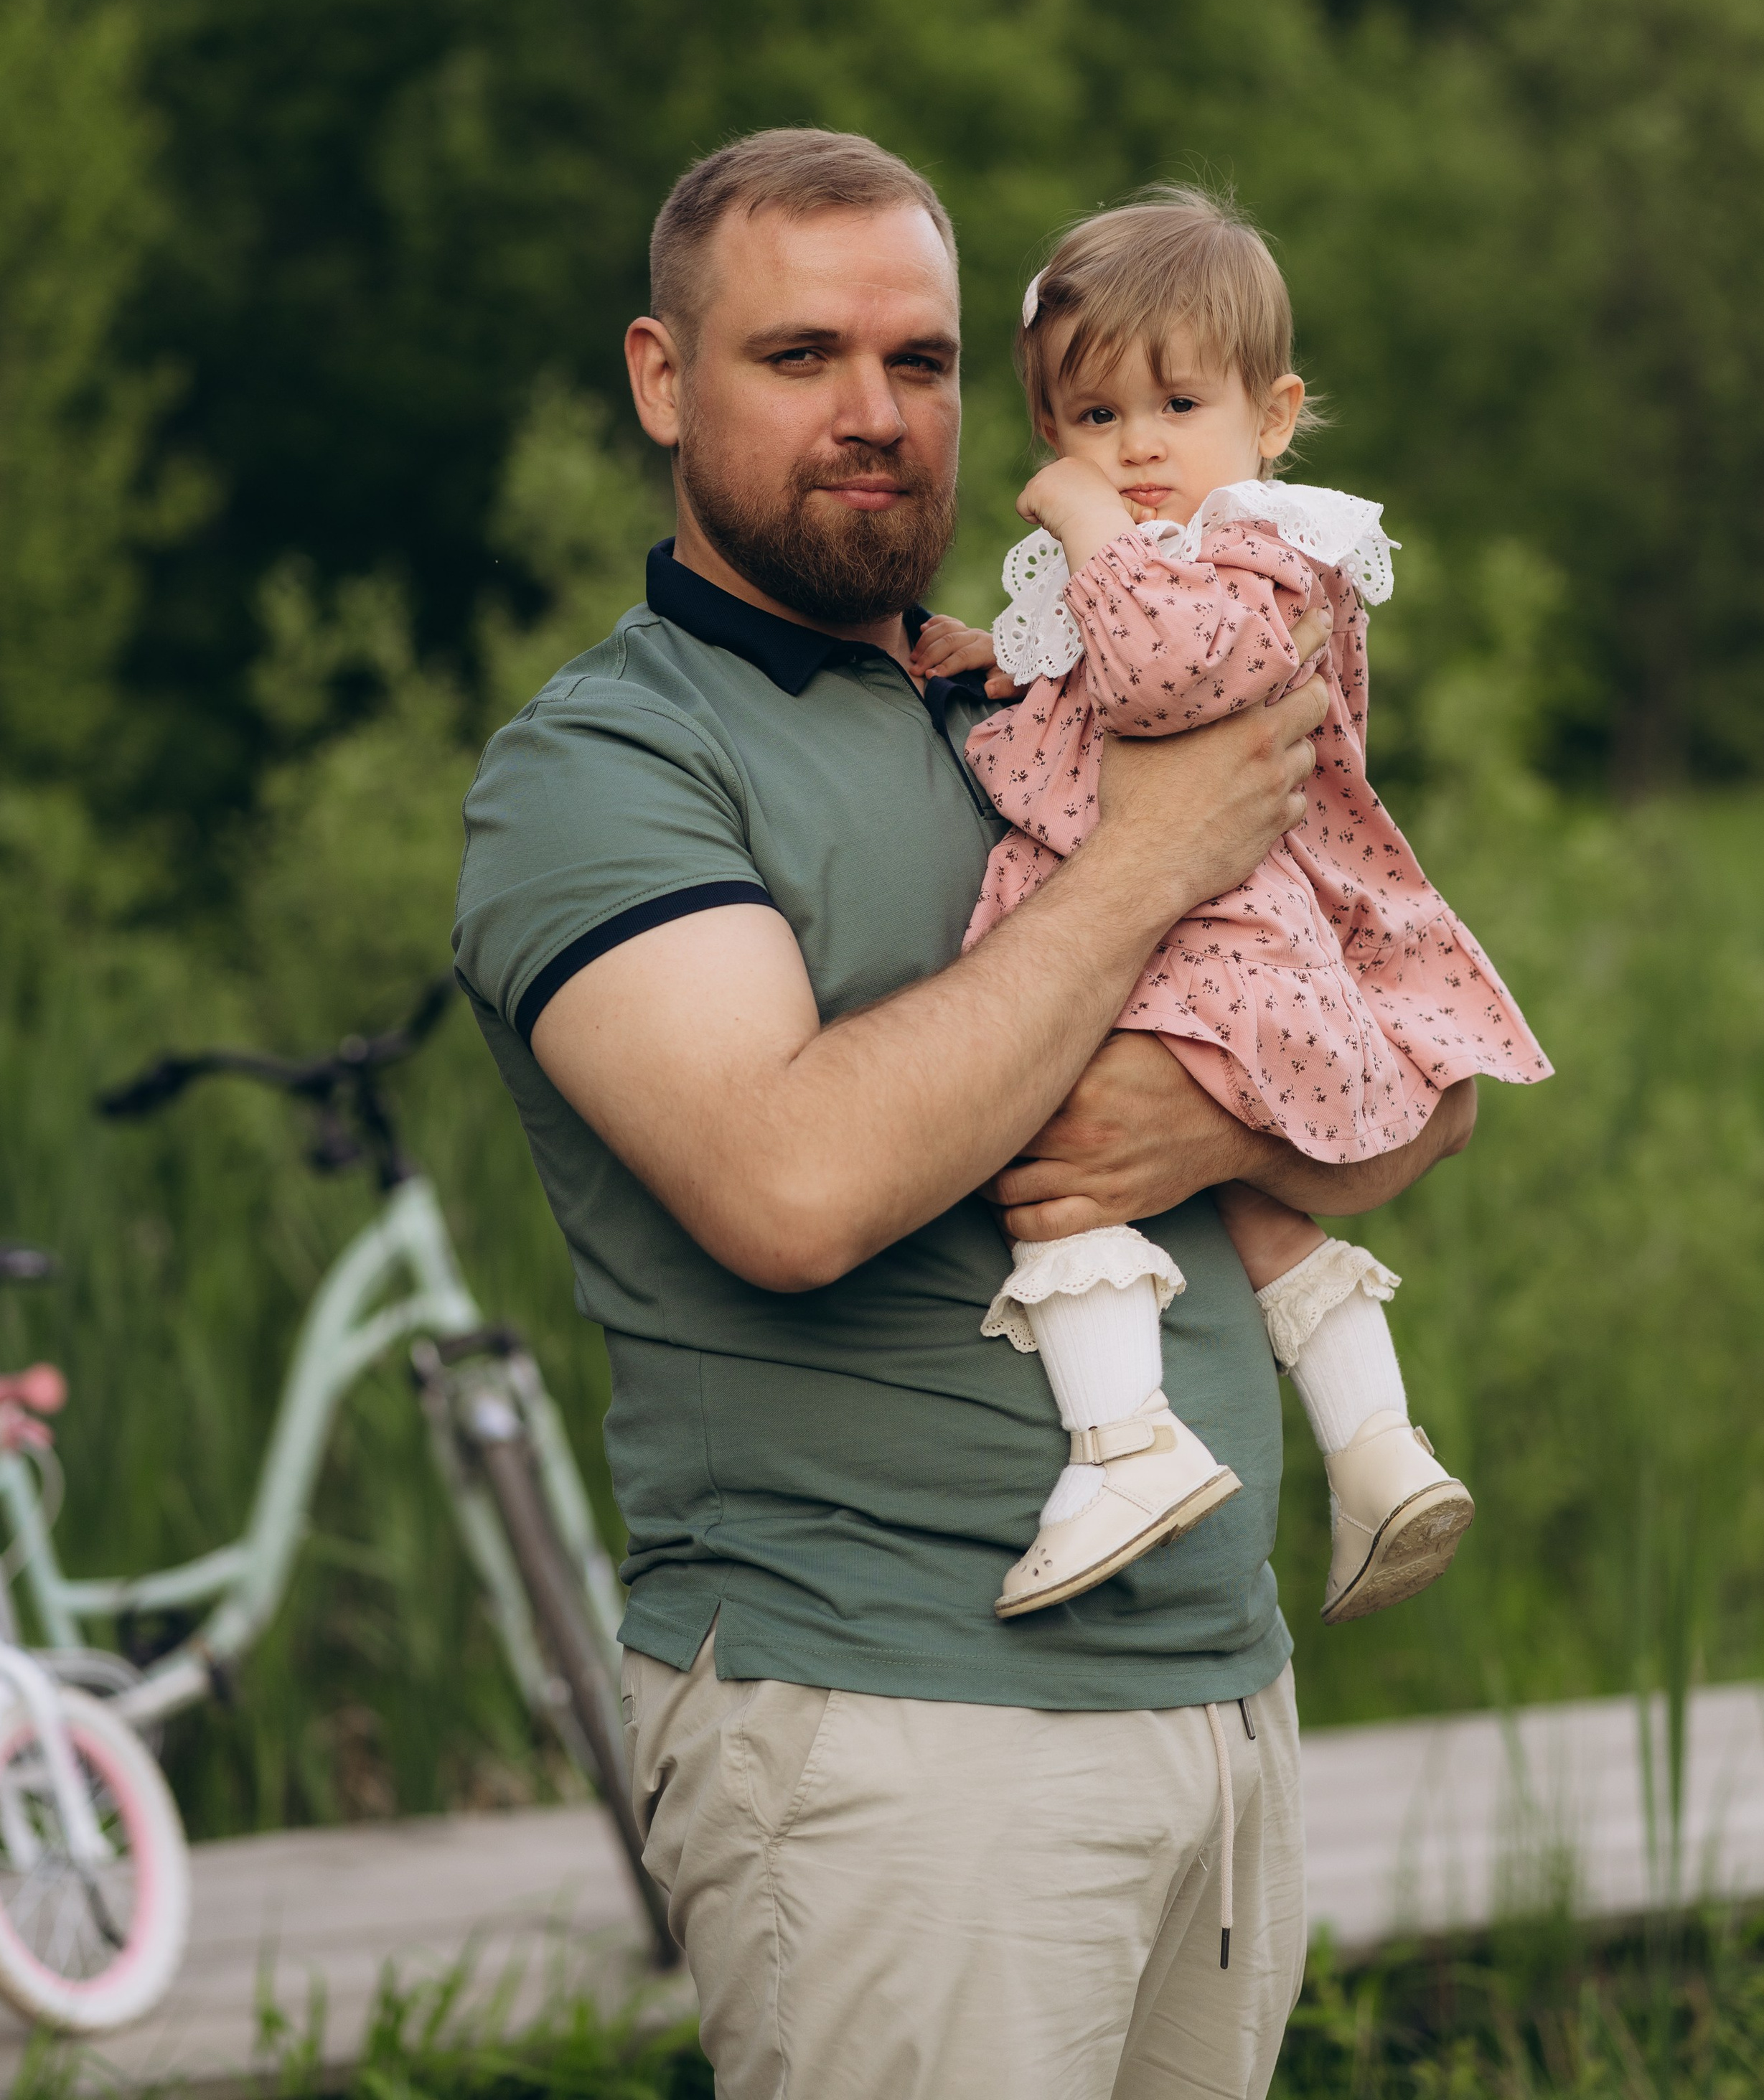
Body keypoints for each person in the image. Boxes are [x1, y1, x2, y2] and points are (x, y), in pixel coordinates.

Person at [451, 129, 1474, 2100]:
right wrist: (1154, 863)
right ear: (663, 378)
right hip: (892, 1730)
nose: (873, 416)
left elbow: (1413, 1091)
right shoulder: (606, 765)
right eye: (800, 357)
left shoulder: (1051, 704)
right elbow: (792, 1183)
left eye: (918, 363)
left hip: (1220, 1696)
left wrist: (1219, 1137)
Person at [909, 190, 1550, 1631]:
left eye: (1176, 403)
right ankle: (1376, 1446)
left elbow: (1156, 676)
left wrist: (1079, 525)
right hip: (1222, 940)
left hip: (1216, 939)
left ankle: (1118, 1441)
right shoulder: (1173, 562)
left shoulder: (1261, 550)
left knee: (1043, 1142)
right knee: (1254, 1209)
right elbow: (1089, 690)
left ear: (1270, 416)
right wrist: (992, 655)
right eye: (1088, 418)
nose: (1132, 448)